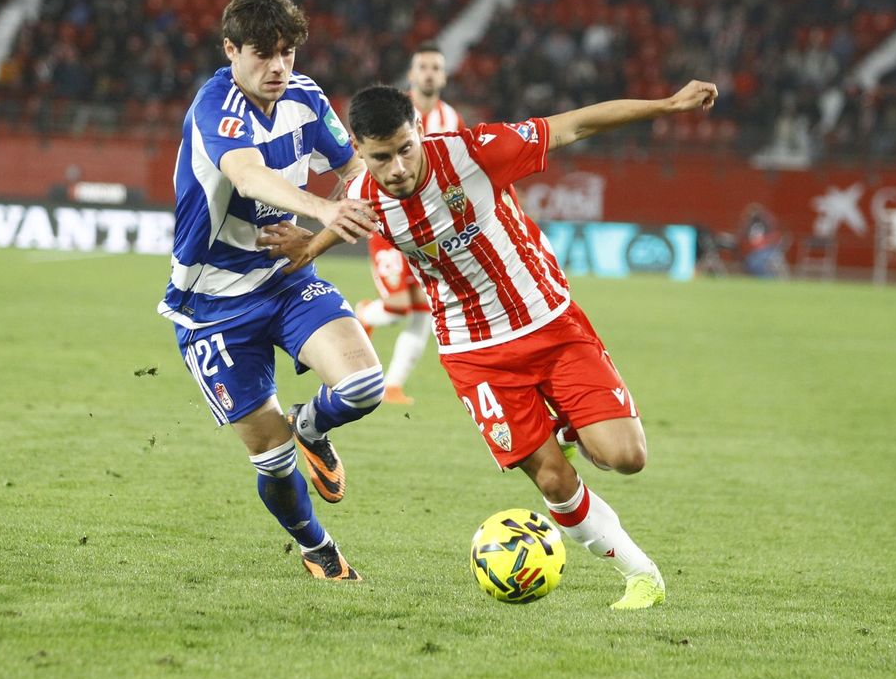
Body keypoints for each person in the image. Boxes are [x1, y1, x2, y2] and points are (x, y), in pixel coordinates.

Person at [263, 79, 720, 609]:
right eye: (381, 158)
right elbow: (343, 226)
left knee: (626, 457)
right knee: (552, 477)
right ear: (359, 153)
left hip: (550, 323)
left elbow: (578, 122)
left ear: (418, 132)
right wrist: (306, 242)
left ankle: (570, 425)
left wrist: (667, 104)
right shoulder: (363, 197)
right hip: (474, 355)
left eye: (406, 149)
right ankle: (641, 575)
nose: (398, 169)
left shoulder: (474, 151)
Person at [159, 0, 381, 583]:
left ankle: (313, 425)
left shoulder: (306, 98)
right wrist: (322, 210)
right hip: (211, 307)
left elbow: (356, 164)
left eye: (287, 52)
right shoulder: (214, 107)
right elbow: (249, 174)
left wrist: (341, 201)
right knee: (273, 460)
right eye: (262, 52)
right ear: (231, 50)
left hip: (284, 279)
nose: (278, 66)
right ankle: (317, 547)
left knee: (365, 385)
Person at [355, 43, 463, 405]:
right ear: (412, 74)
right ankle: (364, 313)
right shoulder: (391, 113)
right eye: (424, 67)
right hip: (389, 223)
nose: (430, 73)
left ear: (444, 76)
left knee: (426, 308)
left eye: (436, 67)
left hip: (428, 229)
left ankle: (392, 385)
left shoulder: (451, 120)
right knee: (400, 304)